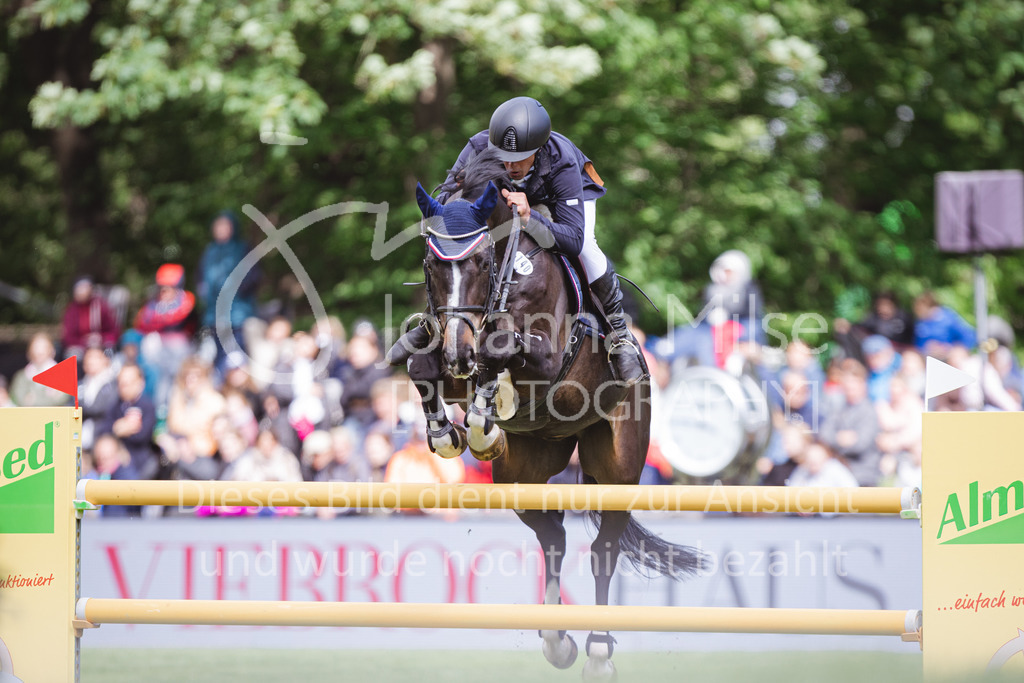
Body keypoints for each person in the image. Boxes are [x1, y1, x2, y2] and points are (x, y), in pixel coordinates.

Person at [386, 96, 646, 386]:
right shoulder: (478, 147)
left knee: (588, 250)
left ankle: (619, 336)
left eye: (520, 157)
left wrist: (531, 217)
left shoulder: (561, 159)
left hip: (556, 205)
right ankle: (431, 322)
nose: (510, 165)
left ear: (539, 149)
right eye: (504, 157)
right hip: (506, 207)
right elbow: (448, 205)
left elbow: (572, 239)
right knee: (453, 250)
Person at [197, 211, 261, 373]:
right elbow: (200, 277)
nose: (220, 230)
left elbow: (254, 276)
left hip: (237, 314)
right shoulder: (209, 251)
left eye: (225, 226)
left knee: (236, 357)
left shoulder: (242, 248)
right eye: (218, 226)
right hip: (214, 315)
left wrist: (236, 290)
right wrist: (203, 292)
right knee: (217, 357)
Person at [134, 263, 198, 410]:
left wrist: (160, 321)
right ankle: (159, 410)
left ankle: (180, 407)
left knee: (178, 379)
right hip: (160, 352)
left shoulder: (186, 299)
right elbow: (142, 323)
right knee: (160, 381)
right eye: (162, 288)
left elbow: (178, 319)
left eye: (169, 288)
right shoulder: (154, 305)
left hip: (181, 347)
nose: (165, 292)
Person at [98, 364, 161, 479]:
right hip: (117, 459)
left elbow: (142, 436)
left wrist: (119, 429)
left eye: (128, 383)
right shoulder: (115, 405)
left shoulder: (147, 405)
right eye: (121, 383)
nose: (124, 387)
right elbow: (104, 430)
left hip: (141, 461)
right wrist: (119, 428)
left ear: (140, 383)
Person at [61, 276, 120, 359]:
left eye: (84, 288)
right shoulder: (71, 310)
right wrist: (84, 342)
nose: (81, 292)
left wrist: (101, 338)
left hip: (101, 345)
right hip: (80, 347)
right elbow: (67, 337)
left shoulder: (101, 307)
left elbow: (114, 331)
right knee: (73, 355)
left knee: (110, 352)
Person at [9, 333, 70, 407]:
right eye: (35, 347)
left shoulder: (62, 375)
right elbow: (20, 400)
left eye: (43, 347)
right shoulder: (21, 376)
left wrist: (32, 399)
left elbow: (62, 399)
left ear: (52, 351)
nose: (39, 352)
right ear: (29, 352)